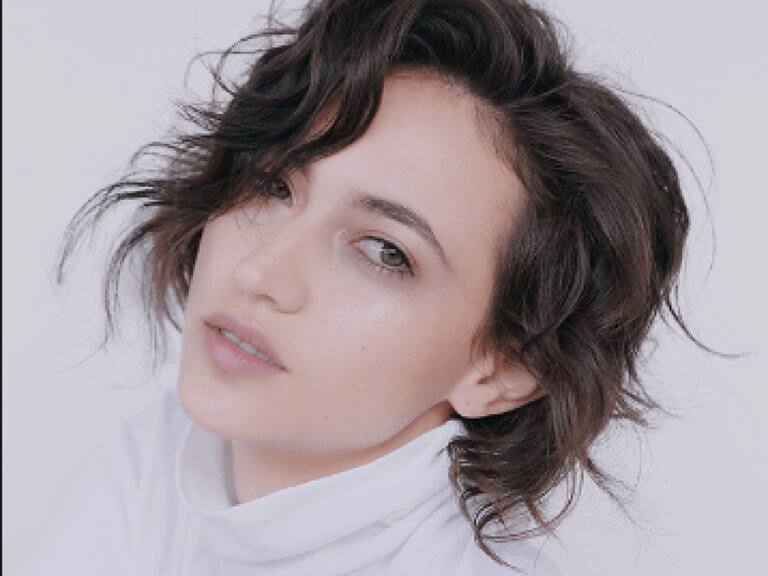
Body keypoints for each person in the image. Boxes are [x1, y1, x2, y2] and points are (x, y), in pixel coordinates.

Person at [25, 0, 721, 574]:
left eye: (385, 252)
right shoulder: (160, 456)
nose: (258, 273)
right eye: (273, 184)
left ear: (502, 368)